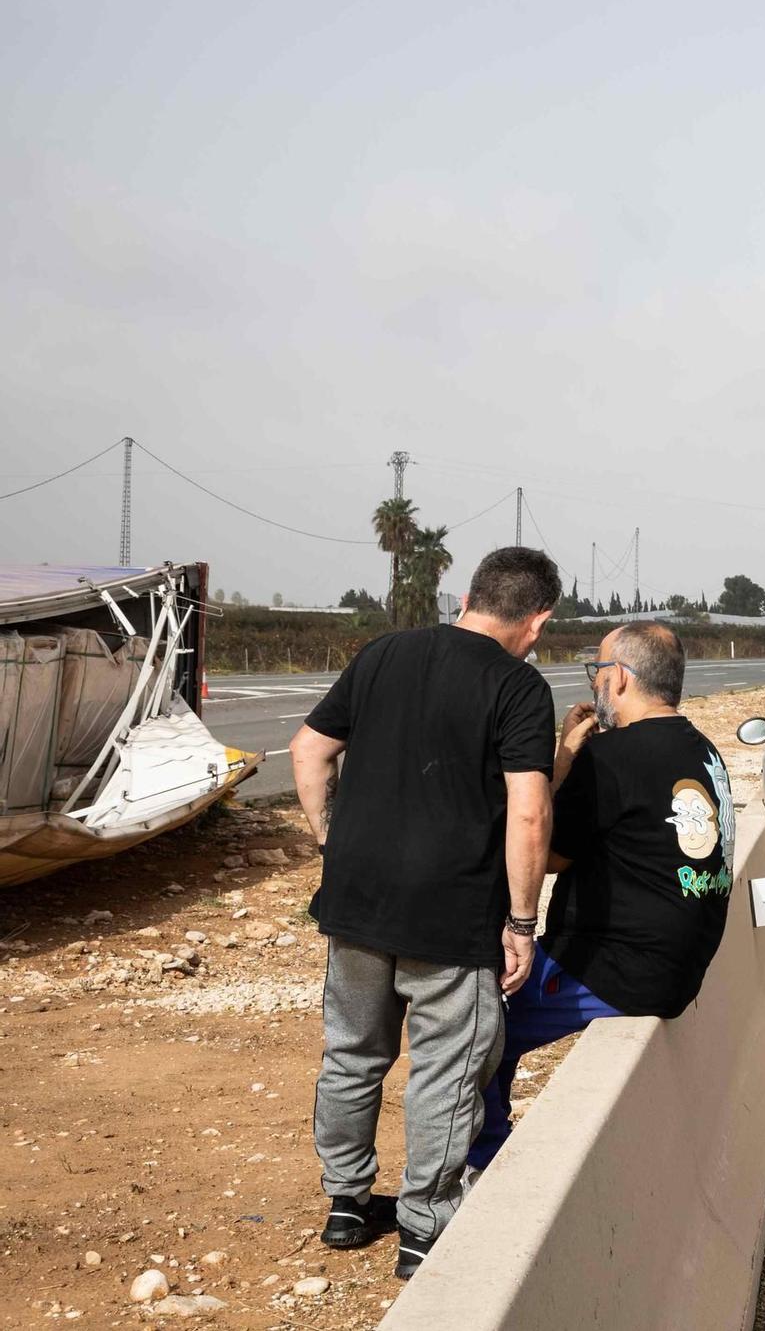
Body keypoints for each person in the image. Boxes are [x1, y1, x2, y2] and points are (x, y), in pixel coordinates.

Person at [289, 546, 561, 1279]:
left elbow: (310, 750)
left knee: (351, 1052)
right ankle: (423, 1228)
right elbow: (530, 813)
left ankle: (346, 1205)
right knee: (447, 1066)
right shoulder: (520, 686)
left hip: (355, 905)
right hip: (451, 919)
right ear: (537, 620)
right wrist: (523, 923)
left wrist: (331, 840)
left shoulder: (381, 654)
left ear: (469, 595)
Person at [466, 621, 735, 1175]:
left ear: (618, 679)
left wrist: (564, 756)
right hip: (679, 962)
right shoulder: (701, 748)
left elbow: (548, 852)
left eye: (597, 672)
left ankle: (484, 1166)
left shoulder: (614, 757)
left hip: (617, 967)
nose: (593, 686)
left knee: (473, 1029)